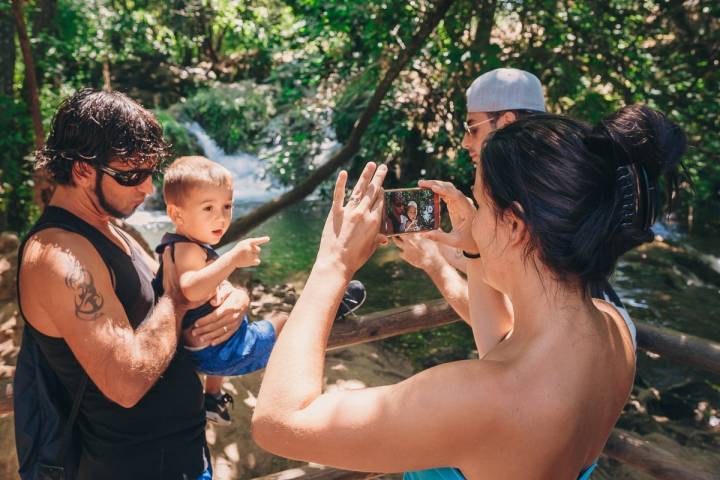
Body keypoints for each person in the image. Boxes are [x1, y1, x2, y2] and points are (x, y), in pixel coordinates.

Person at [251, 103, 685, 478]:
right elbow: (500, 347)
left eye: (481, 204)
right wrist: (477, 254)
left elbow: (279, 422)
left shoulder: (475, 396)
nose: (472, 217)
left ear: (515, 225)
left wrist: (333, 263)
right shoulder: (611, 331)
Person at [15, 89, 251, 479]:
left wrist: (234, 297)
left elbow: (179, 287)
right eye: (131, 175)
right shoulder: (57, 256)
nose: (146, 189)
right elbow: (126, 381)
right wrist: (177, 302)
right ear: (82, 170)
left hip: (182, 456)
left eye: (149, 174)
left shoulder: (113, 231)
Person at [153, 156, 286, 426]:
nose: (222, 217)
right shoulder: (188, 249)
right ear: (176, 214)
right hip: (221, 353)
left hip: (205, 352)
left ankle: (212, 396)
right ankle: (331, 309)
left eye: (227, 206)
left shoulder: (175, 246)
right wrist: (234, 258)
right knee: (284, 321)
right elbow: (190, 288)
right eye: (208, 208)